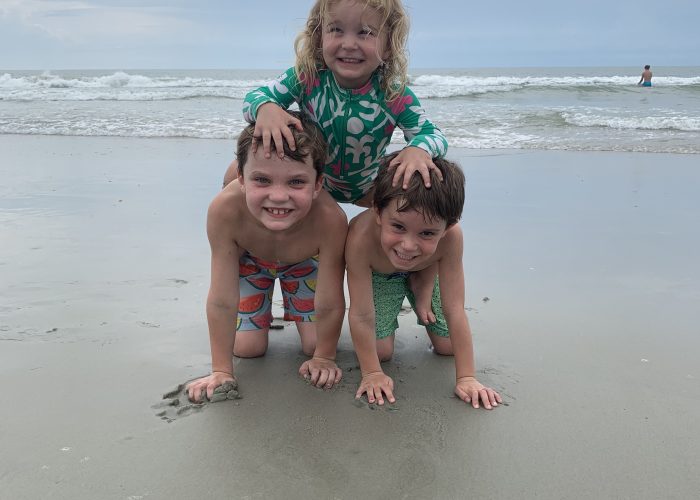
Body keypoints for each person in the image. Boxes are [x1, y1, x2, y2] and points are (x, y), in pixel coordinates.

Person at [227, 0, 448, 327]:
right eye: (336, 30)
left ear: (388, 45)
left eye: (365, 32)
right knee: (234, 173)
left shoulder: (393, 93)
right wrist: (266, 109)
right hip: (317, 185)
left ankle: (421, 272)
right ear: (318, 37)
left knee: (426, 190)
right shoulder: (308, 78)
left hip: (366, 188)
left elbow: (434, 134)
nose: (349, 43)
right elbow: (254, 98)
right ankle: (250, 248)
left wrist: (418, 149)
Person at [186, 112, 348, 403]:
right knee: (247, 349)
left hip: (303, 263)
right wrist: (221, 370)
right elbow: (222, 297)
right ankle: (257, 318)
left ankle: (300, 327)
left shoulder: (330, 219)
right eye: (261, 179)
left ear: (318, 184)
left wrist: (325, 356)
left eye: (296, 183)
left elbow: (331, 299)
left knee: (314, 345)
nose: (278, 196)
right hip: (251, 261)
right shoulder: (224, 210)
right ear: (241, 178)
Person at [345, 153, 502, 409]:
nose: (408, 244)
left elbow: (454, 308)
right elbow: (361, 314)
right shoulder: (360, 237)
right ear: (378, 212)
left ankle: (422, 281)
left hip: (428, 267)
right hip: (381, 275)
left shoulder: (452, 238)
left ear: (448, 226)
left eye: (427, 233)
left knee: (448, 346)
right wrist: (372, 372)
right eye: (397, 227)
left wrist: (467, 377)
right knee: (380, 352)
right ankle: (418, 281)